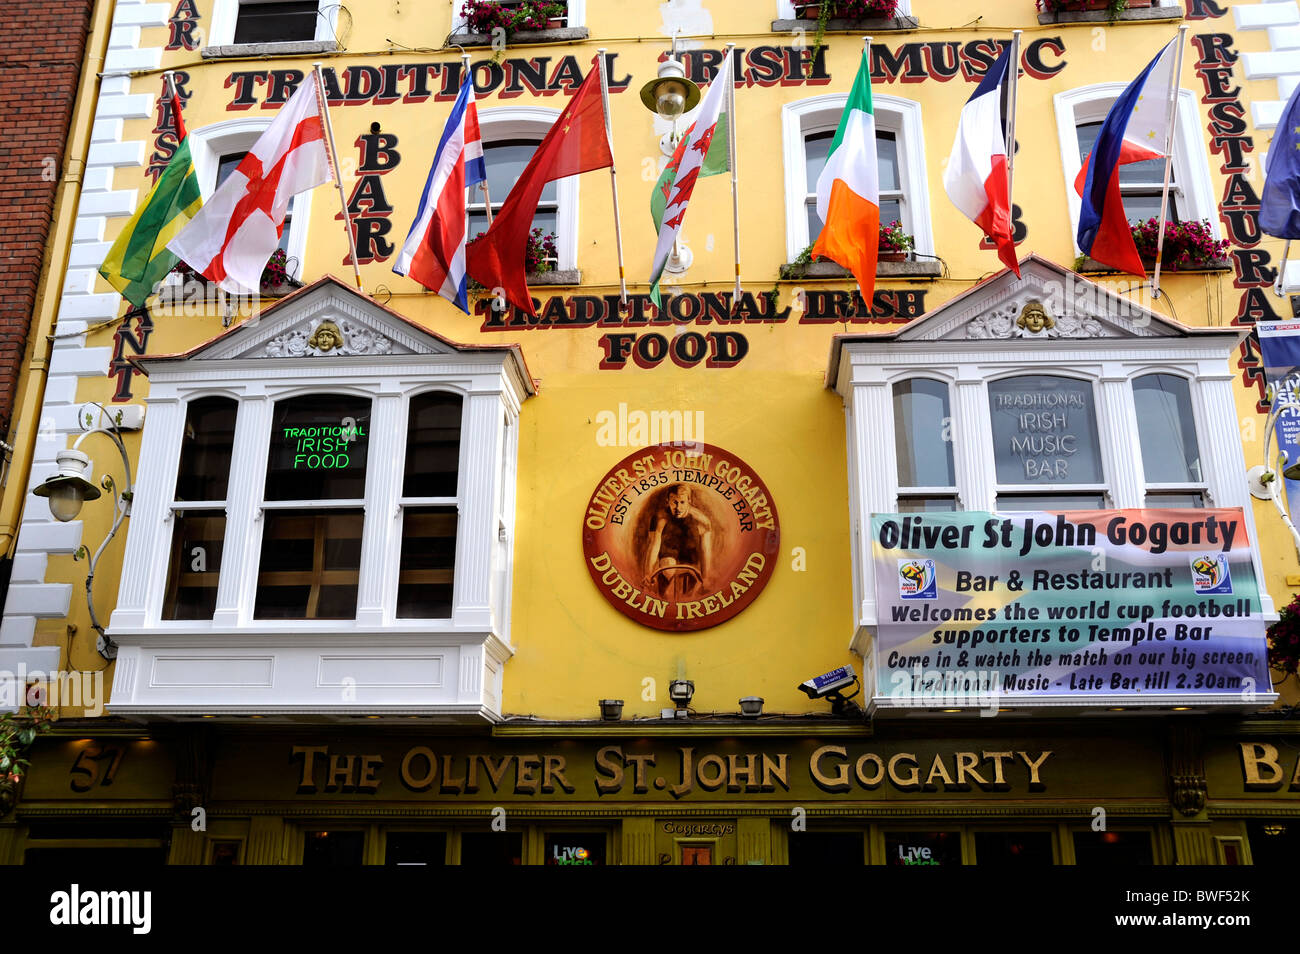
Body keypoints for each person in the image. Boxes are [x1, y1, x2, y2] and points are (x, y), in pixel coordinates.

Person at [642, 484, 712, 598]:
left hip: (690, 558)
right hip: (668, 556)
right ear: (667, 501)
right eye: (674, 502)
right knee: (668, 568)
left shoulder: (702, 522)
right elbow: (654, 546)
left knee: (690, 593)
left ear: (689, 501)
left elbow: (706, 550)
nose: (678, 508)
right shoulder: (660, 518)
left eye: (682, 502)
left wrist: (706, 578)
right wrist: (648, 574)